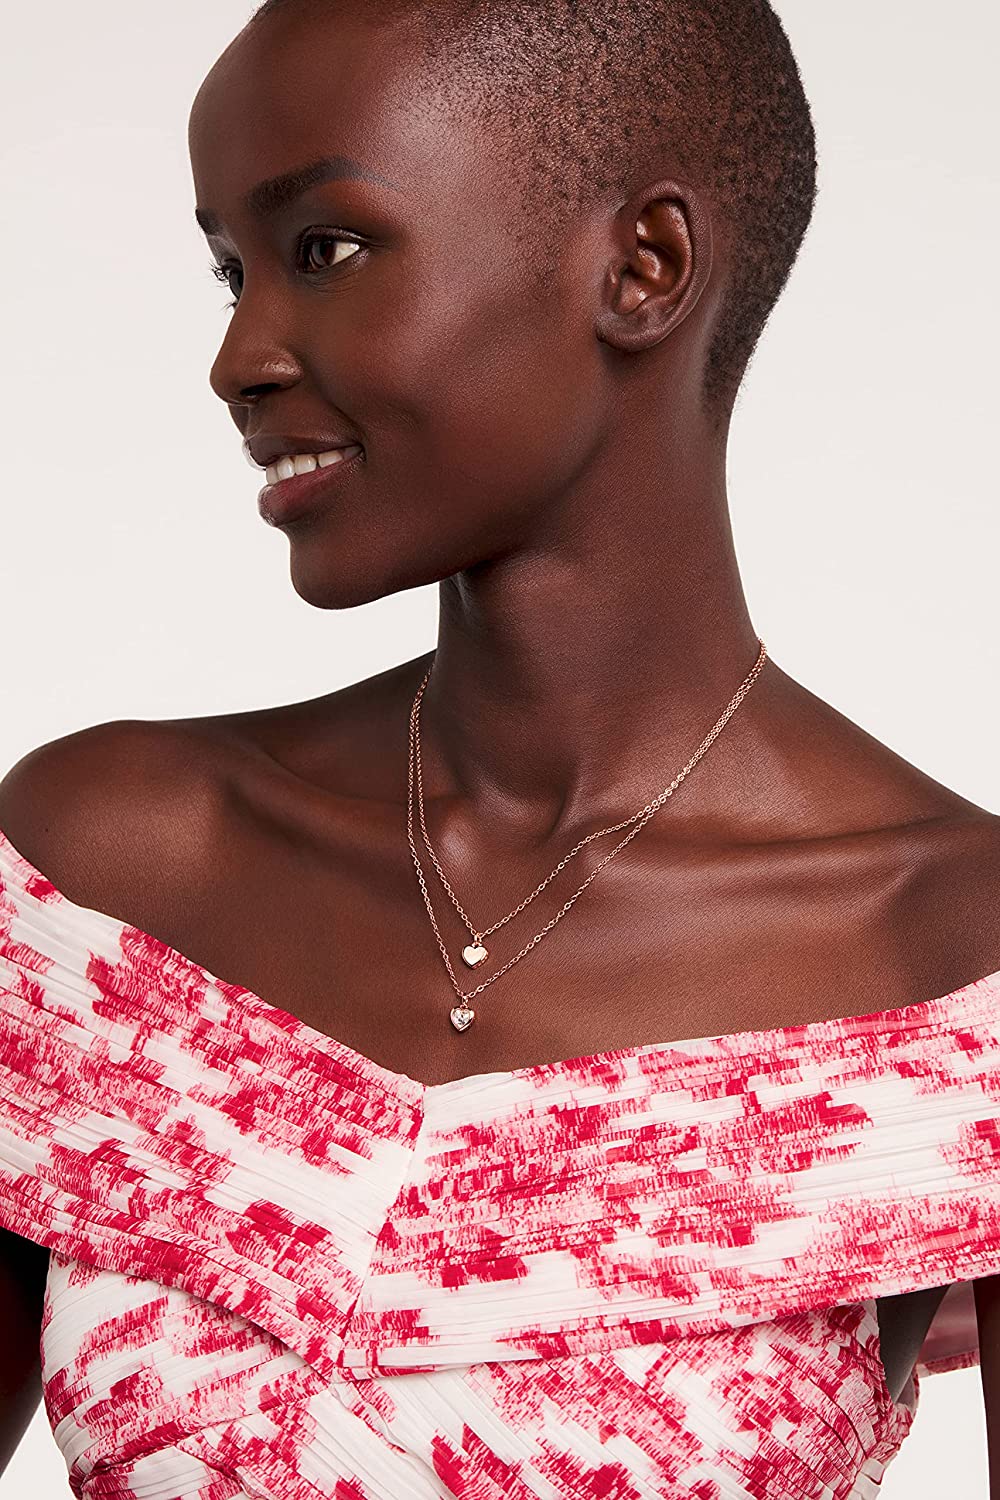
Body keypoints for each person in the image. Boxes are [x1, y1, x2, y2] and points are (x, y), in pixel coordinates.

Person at [1, 0, 998, 1495]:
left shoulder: (961, 967)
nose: (238, 358)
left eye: (325, 248)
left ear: (642, 269)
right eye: (230, 270)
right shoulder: (100, 881)